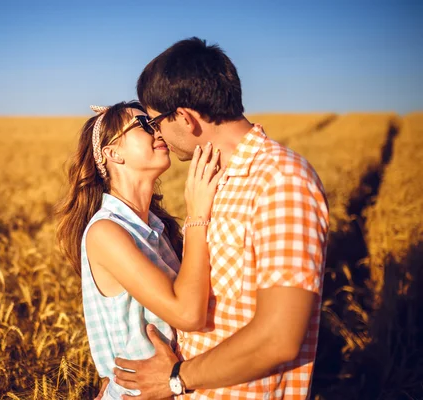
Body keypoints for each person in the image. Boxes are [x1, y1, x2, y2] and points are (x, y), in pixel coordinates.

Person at [111, 38, 330, 399]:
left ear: (185, 118)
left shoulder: (281, 181)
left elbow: (279, 338)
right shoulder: (215, 181)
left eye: (155, 122)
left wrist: (176, 378)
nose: (157, 134)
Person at [55, 100, 223, 399]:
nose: (156, 129)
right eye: (143, 125)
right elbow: (188, 314)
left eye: (154, 122)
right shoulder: (106, 232)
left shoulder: (157, 227)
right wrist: (197, 216)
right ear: (112, 153)